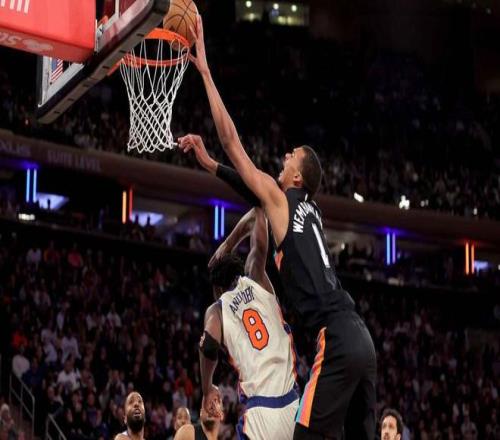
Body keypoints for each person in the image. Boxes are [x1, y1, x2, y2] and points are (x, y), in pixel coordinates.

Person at [179, 15, 377, 440]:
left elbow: (233, 144)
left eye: (291, 156)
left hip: (334, 340)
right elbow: (257, 202)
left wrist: (206, 73)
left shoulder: (281, 200)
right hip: (362, 338)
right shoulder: (310, 210)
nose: (284, 156)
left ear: (298, 177)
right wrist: (211, 167)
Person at [199, 208, 299, 439]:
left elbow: (208, 347)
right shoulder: (257, 277)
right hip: (293, 405)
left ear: (217, 289)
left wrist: (207, 388)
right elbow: (258, 212)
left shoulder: (218, 309)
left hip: (261, 411)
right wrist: (228, 244)